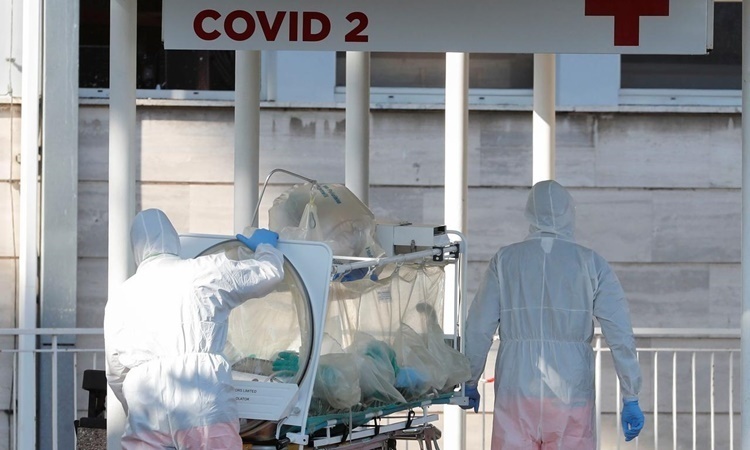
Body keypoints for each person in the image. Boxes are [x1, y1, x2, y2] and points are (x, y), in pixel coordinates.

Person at [461, 180, 644, 449]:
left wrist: (469, 379)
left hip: (516, 387)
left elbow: (479, 327)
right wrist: (630, 395)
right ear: (569, 211)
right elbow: (620, 333)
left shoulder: (505, 260)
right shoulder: (590, 262)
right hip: (571, 391)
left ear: (529, 213)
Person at [104, 208, 285, 449]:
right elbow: (268, 274)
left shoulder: (120, 298)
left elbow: (115, 372)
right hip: (200, 393)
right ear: (173, 239)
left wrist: (136, 407)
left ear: (135, 247)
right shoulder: (204, 270)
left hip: (144, 402)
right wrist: (266, 249)